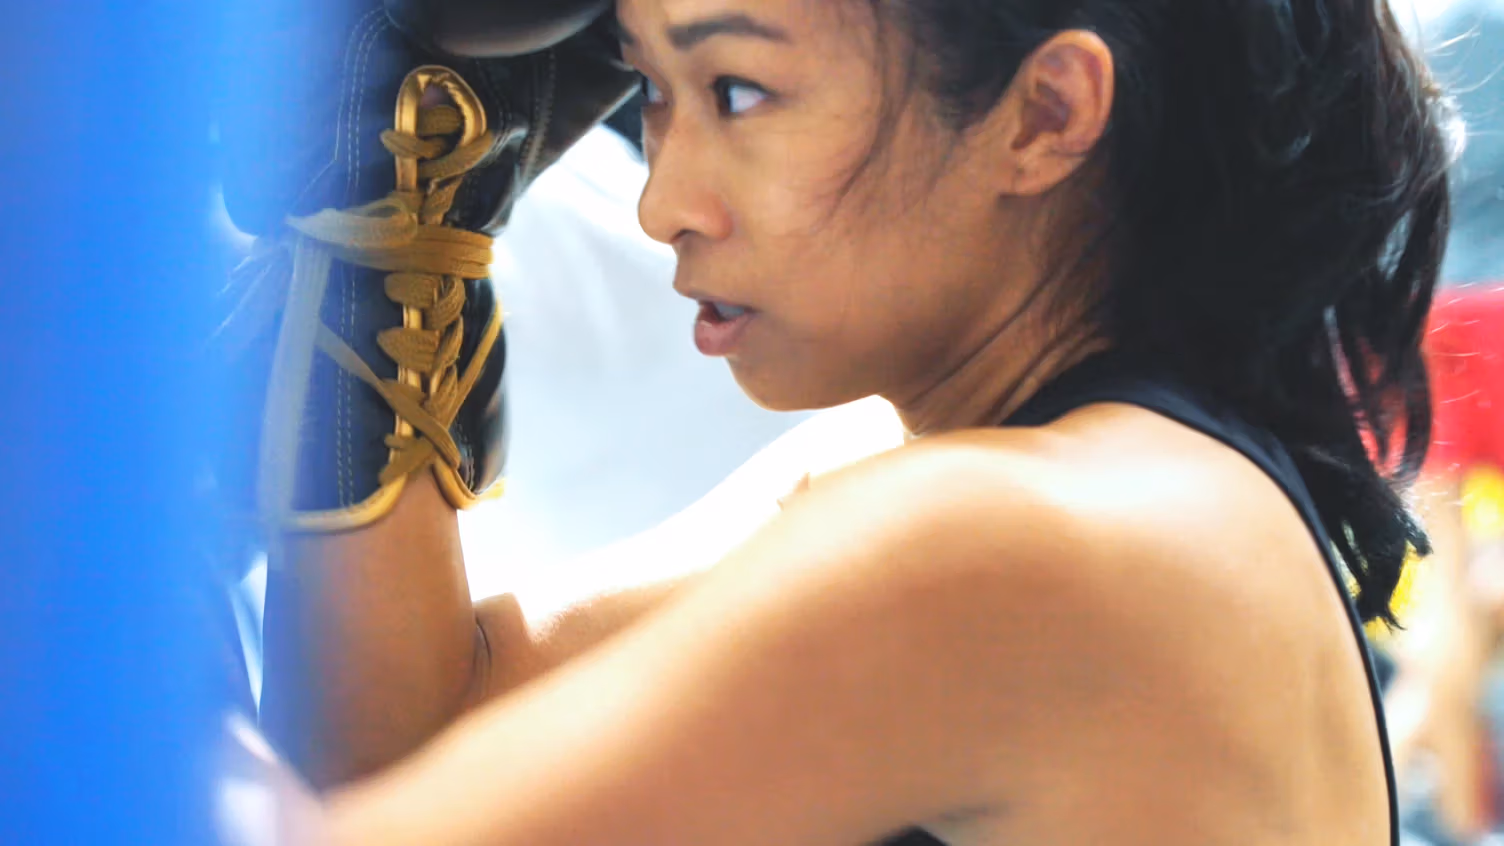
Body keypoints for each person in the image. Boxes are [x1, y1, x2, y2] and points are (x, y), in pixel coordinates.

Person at [225, 0, 1456, 843]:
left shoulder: (1024, 542)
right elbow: (398, 754)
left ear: (1044, 115)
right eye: (652, 91)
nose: (662, 201)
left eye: (741, 90)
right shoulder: (983, 480)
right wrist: (403, 244)